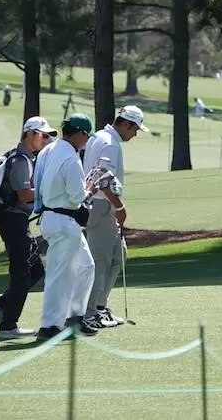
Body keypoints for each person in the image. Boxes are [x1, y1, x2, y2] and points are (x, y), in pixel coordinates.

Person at [0, 116, 57, 339]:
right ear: (30, 134)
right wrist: (50, 192)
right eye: (43, 135)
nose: (45, 140)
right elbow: (25, 195)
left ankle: (0, 306)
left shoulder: (27, 158)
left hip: (17, 220)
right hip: (13, 221)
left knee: (35, 270)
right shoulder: (20, 160)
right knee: (21, 272)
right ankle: (8, 326)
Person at [34, 113, 100, 341]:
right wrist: (89, 190)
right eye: (86, 136)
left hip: (54, 218)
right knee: (59, 275)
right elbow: (76, 196)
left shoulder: (51, 150)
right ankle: (50, 326)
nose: (87, 141)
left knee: (86, 266)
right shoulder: (71, 158)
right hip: (63, 220)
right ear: (80, 133)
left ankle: (75, 318)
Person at [82, 105, 148, 329]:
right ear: (126, 124)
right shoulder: (109, 143)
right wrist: (119, 208)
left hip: (103, 205)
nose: (135, 134)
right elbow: (102, 180)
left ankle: (100, 307)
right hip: (103, 206)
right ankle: (90, 313)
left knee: (118, 257)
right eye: (135, 129)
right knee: (100, 262)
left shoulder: (101, 137)